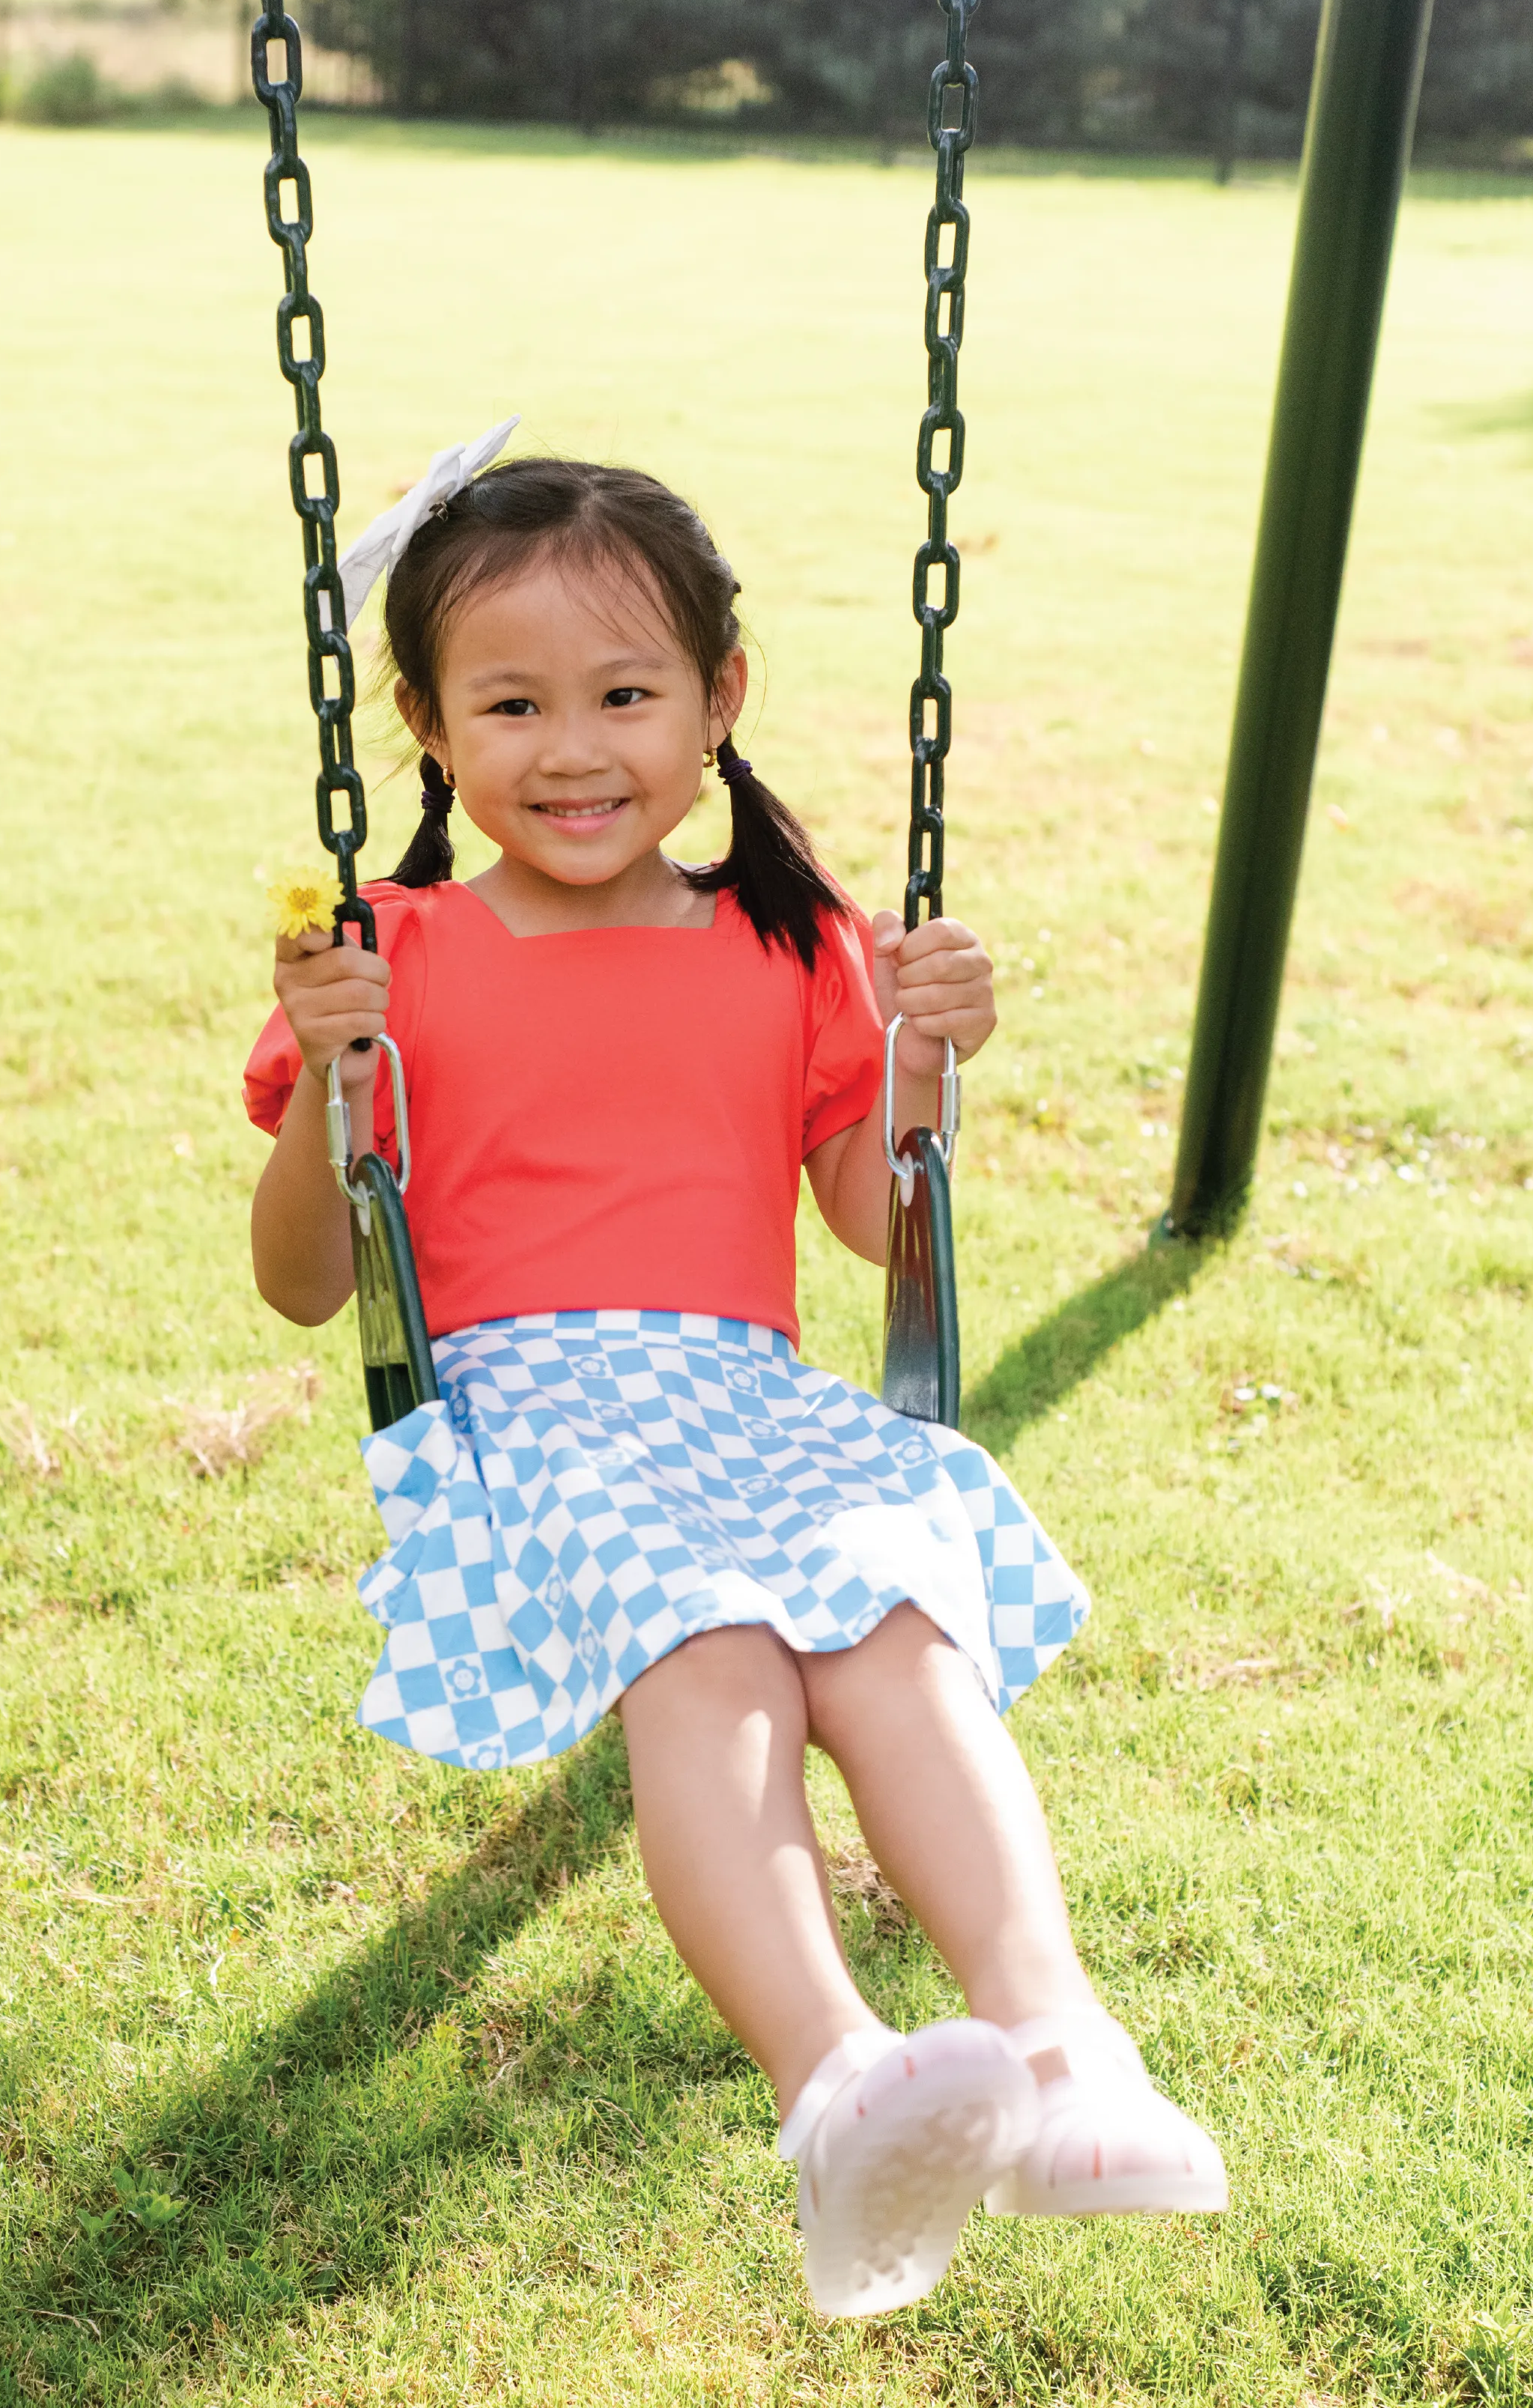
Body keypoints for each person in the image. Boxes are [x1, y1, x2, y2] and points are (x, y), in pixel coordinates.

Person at [243, 441, 1227, 2320]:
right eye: (511, 702)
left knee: (896, 1633)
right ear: (431, 729)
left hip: (748, 1398)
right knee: (712, 1649)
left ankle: (1061, 2045)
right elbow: (304, 1283)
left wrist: (923, 1072)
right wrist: (334, 1093)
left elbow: (875, 1223)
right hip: (526, 1406)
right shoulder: (398, 954)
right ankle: (838, 2076)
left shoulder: (786, 942)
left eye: (626, 694)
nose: (575, 746)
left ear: (719, 701)